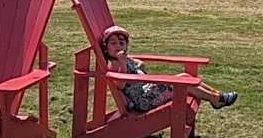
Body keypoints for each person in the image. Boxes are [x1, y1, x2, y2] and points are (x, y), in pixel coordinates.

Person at [101, 25, 237, 112]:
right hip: (144, 100)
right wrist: (123, 64)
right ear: (106, 48)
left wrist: (138, 63)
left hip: (149, 90)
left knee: (185, 77)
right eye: (113, 43)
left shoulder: (125, 58)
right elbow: (120, 84)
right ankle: (215, 99)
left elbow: (136, 62)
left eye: (121, 43)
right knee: (183, 84)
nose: (118, 46)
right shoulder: (113, 64)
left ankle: (216, 95)